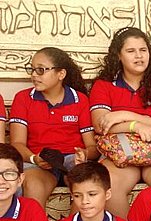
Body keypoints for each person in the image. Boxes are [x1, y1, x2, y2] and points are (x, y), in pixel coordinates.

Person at [91, 27, 151, 216]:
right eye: (131, 51)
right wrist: (137, 126)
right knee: (109, 187)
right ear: (119, 55)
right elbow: (101, 125)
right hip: (119, 158)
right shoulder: (104, 85)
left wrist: (124, 115)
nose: (139, 56)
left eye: (143, 50)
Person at [9, 47, 96, 208]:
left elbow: (92, 147)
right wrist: (34, 158)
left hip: (72, 160)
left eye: (41, 70)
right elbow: (17, 144)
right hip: (37, 161)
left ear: (60, 74)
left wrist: (84, 154)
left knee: (86, 182)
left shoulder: (80, 100)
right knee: (33, 184)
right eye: (32, 69)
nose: (34, 75)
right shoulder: (23, 98)